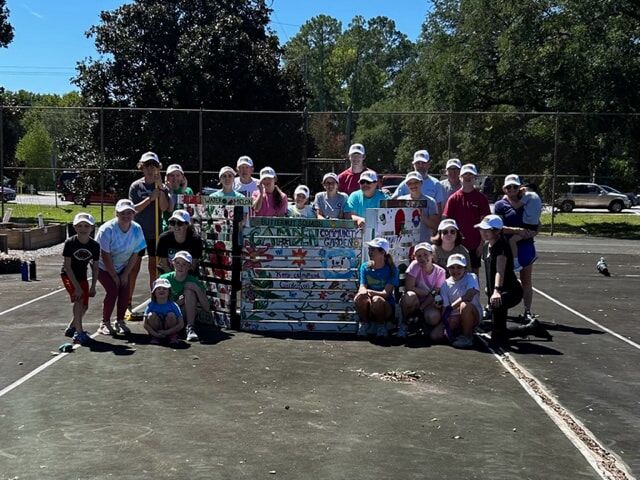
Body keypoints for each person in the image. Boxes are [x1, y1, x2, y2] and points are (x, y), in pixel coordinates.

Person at [475, 215, 551, 345]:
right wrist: (489, 288)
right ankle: (527, 328)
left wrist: (496, 290)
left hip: (510, 292)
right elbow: (489, 270)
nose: (484, 232)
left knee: (497, 336)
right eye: (482, 229)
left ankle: (530, 328)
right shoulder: (488, 246)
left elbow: (500, 271)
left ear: (497, 231)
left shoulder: (501, 248)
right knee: (498, 333)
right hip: (497, 294)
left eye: (488, 230)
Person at [127, 151, 171, 318]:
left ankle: (155, 301)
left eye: (153, 166)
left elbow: (165, 208)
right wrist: (150, 199)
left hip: (156, 233)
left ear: (158, 168)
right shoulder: (136, 187)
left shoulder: (162, 187)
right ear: (142, 168)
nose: (150, 170)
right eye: (147, 166)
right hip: (138, 233)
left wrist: (160, 191)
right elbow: (134, 209)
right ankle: (128, 302)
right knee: (134, 268)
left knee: (154, 268)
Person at [95, 199, 147, 335]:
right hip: (103, 266)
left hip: (123, 265)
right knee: (113, 290)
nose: (126, 216)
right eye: (123, 213)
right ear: (116, 214)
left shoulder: (136, 229)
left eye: (129, 213)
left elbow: (136, 253)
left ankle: (120, 321)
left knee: (125, 290)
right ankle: (104, 323)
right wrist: (113, 275)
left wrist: (125, 274)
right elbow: (105, 255)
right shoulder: (106, 230)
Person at [494, 174, 540, 320]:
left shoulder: (528, 200)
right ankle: (495, 308)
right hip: (506, 247)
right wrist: (516, 231)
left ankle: (527, 311)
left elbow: (537, 223)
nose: (512, 189)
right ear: (504, 188)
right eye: (509, 187)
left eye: (515, 186)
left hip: (525, 245)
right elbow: (498, 228)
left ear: (520, 187)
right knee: (500, 279)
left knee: (526, 280)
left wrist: (531, 233)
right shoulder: (500, 205)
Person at [442, 163, 491, 275]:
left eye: (471, 175)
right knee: (454, 274)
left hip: (475, 244)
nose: (468, 178)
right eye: (465, 175)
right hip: (456, 244)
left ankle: (475, 293)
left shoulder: (481, 199)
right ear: (460, 177)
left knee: (474, 274)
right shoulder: (454, 198)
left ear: (475, 178)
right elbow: (446, 222)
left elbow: (485, 223)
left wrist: (481, 244)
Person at [61, 212, 100, 346]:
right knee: (78, 300)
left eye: (86, 226)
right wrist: (76, 287)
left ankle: (72, 327)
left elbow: (95, 267)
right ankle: (79, 333)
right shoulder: (70, 243)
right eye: (80, 226)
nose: (83, 229)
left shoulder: (94, 245)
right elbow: (67, 266)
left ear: (92, 228)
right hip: (68, 275)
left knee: (84, 306)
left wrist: (94, 285)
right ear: (75, 227)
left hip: (82, 275)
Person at [160, 250, 212, 342]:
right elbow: (157, 304)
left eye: (184, 264)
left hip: (183, 314)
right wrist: (177, 303)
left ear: (189, 266)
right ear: (173, 263)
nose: (180, 266)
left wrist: (197, 289)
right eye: (177, 263)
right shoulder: (164, 279)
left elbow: (207, 308)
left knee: (189, 291)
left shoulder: (194, 281)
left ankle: (190, 328)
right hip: (167, 315)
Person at [398, 242, 446, 340]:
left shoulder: (441, 272)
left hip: (429, 303)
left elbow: (435, 293)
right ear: (415, 257)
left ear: (432, 255)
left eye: (425, 254)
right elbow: (409, 287)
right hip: (414, 301)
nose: (422, 258)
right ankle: (405, 324)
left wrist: (421, 309)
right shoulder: (414, 265)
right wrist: (427, 293)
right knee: (409, 296)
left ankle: (421, 324)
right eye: (419, 256)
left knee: (434, 317)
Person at [354, 238, 399, 338]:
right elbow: (362, 286)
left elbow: (386, 293)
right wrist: (362, 293)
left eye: (373, 250)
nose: (369, 252)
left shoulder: (392, 270)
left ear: (382, 252)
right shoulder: (365, 267)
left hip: (386, 308)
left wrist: (368, 292)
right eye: (370, 249)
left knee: (377, 300)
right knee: (360, 297)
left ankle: (381, 326)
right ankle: (365, 324)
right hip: (369, 305)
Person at [437, 254, 483, 348]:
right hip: (455, 315)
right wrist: (445, 320)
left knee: (464, 305)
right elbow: (445, 307)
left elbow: (469, 295)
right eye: (452, 267)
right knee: (435, 336)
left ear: (465, 268)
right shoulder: (445, 284)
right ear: (448, 268)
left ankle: (467, 337)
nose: (455, 270)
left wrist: (451, 307)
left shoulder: (471, 277)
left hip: (473, 314)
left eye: (459, 267)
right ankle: (459, 330)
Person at [392, 150, 446, 214]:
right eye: (418, 163)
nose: (420, 166)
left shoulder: (436, 184)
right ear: (413, 165)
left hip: (428, 222)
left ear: (429, 164)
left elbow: (438, 210)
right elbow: (393, 202)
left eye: (423, 163)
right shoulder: (405, 183)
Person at [156, 209, 203, 275]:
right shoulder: (163, 239)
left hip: (188, 275)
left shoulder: (195, 240)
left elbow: (193, 266)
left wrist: (181, 279)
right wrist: (175, 279)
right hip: (168, 274)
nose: (176, 226)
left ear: (187, 225)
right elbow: (164, 265)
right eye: (172, 223)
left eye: (180, 223)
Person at [396, 171, 439, 242]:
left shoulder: (431, 201)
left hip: (424, 243)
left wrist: (421, 215)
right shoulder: (400, 200)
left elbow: (435, 226)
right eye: (410, 183)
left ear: (421, 183)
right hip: (405, 242)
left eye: (416, 182)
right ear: (406, 185)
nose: (413, 185)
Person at [143, 278, 184, 347]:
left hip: (170, 330)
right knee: (151, 315)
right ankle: (155, 337)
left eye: (164, 288)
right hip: (156, 331)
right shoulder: (151, 304)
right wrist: (154, 333)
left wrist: (167, 332)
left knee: (171, 315)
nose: (161, 290)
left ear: (169, 292)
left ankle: (172, 336)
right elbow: (145, 323)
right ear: (154, 292)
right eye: (158, 289)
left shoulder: (173, 305)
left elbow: (181, 324)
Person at [163, 163, 193, 229]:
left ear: (183, 177)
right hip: (169, 228)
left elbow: (189, 212)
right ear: (167, 177)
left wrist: (182, 192)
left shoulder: (188, 191)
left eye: (178, 175)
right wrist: (171, 192)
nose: (175, 178)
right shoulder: (164, 191)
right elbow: (170, 210)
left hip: (184, 228)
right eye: (172, 175)